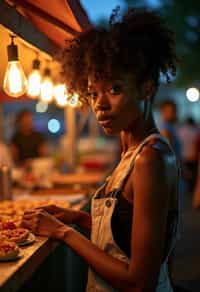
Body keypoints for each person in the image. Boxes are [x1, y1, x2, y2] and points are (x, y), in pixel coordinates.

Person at [22, 8, 180, 291]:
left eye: (115, 89)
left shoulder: (150, 158)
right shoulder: (131, 150)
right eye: (93, 93)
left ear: (146, 89)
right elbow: (126, 238)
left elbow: (139, 283)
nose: (100, 104)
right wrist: (77, 218)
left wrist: (64, 232)